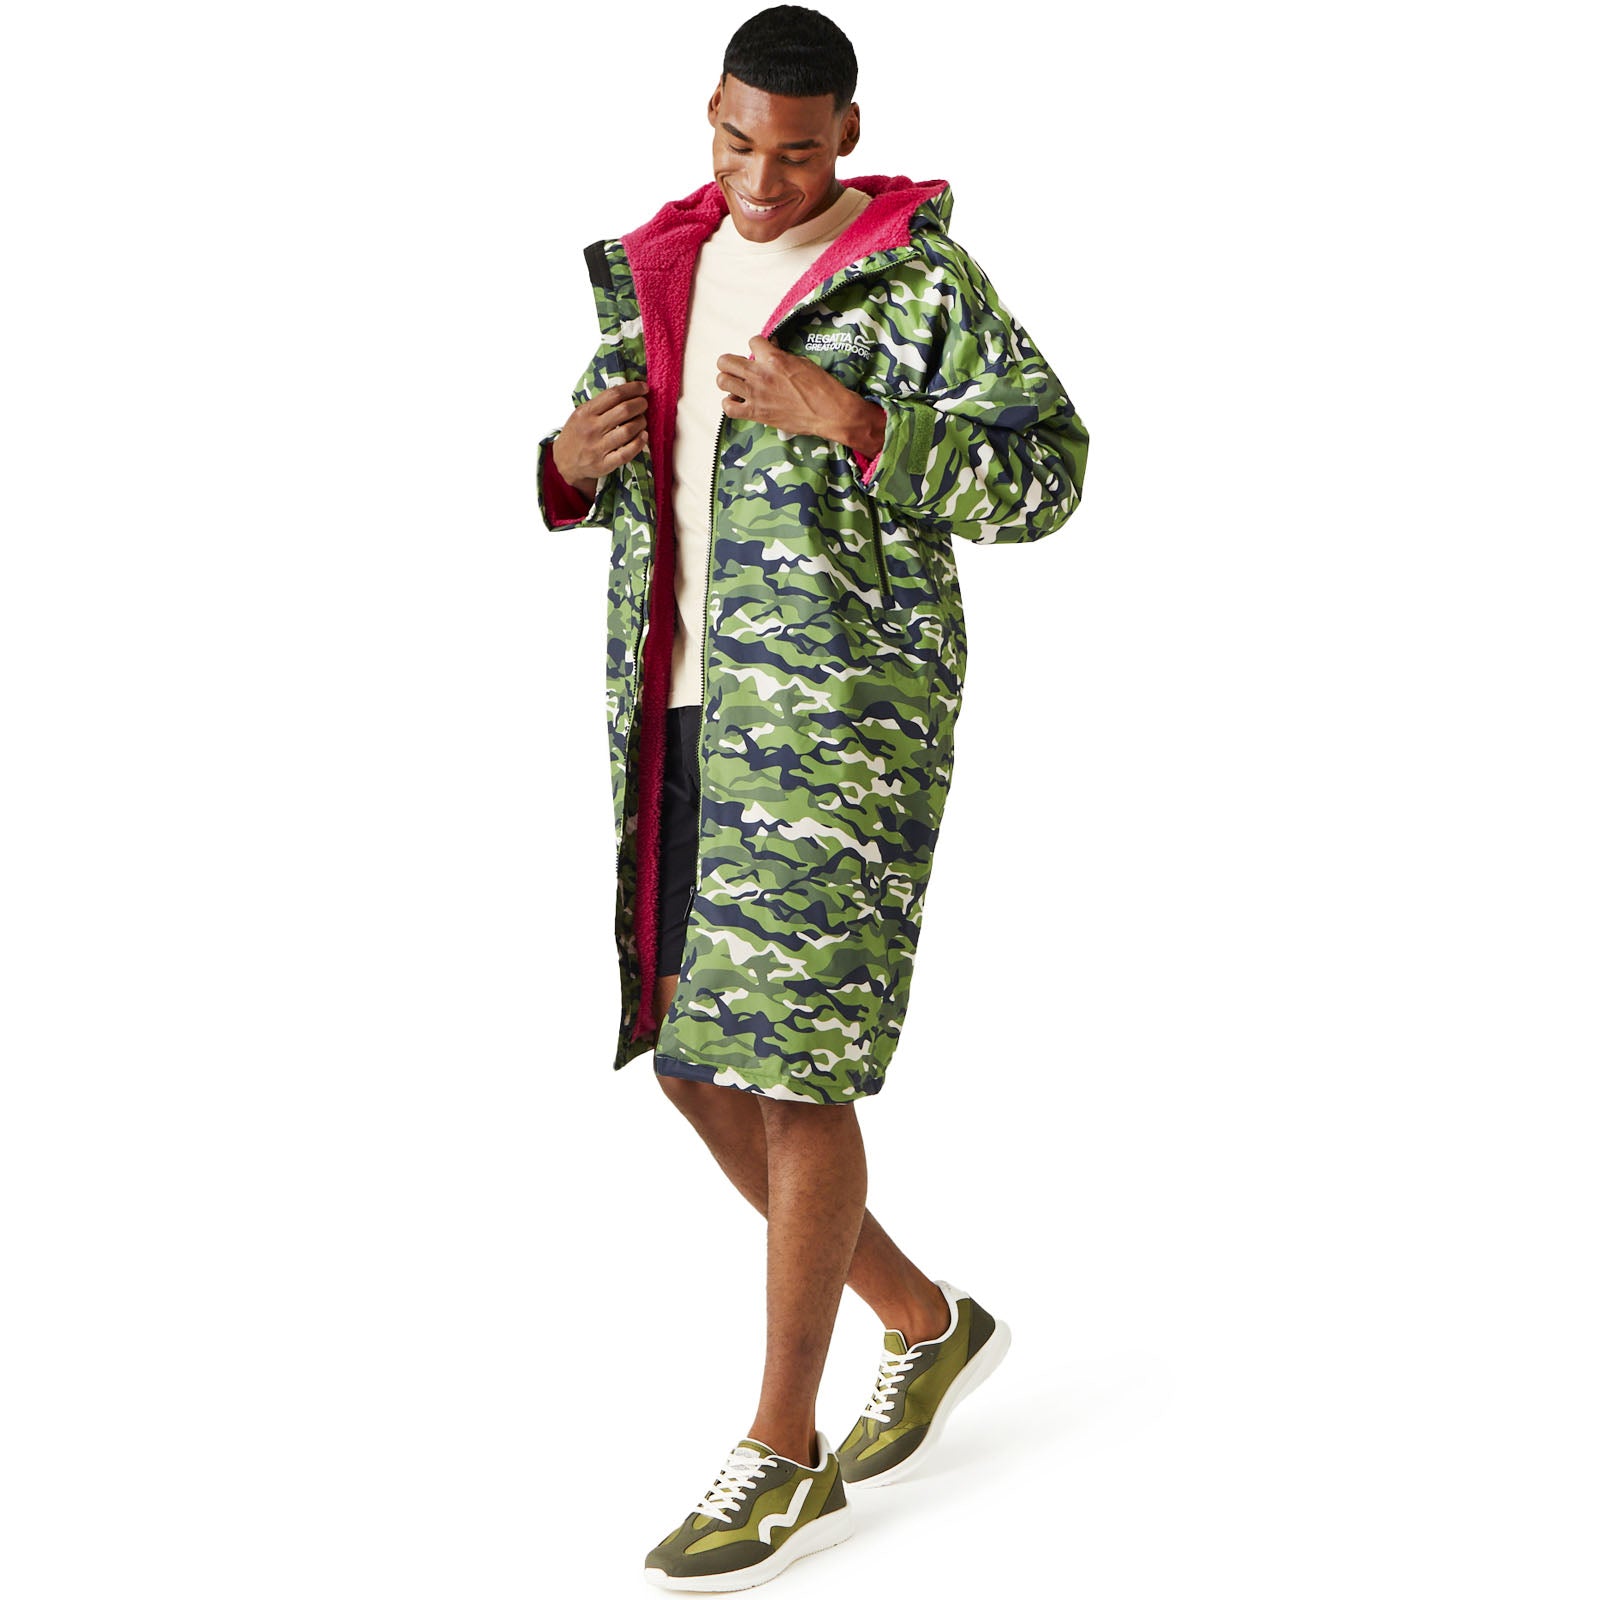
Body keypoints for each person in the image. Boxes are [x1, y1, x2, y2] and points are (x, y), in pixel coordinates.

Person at [537, 6, 1088, 1588]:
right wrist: (567, 461)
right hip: (675, 716)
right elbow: (614, 475)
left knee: (793, 1077)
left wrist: (855, 422)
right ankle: (924, 1321)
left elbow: (1049, 471)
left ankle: (784, 1455)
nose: (763, 180)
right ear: (706, 117)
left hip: (838, 739)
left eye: (793, 152)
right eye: (736, 144)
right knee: (688, 1062)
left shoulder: (917, 284)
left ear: (847, 131)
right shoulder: (660, 265)